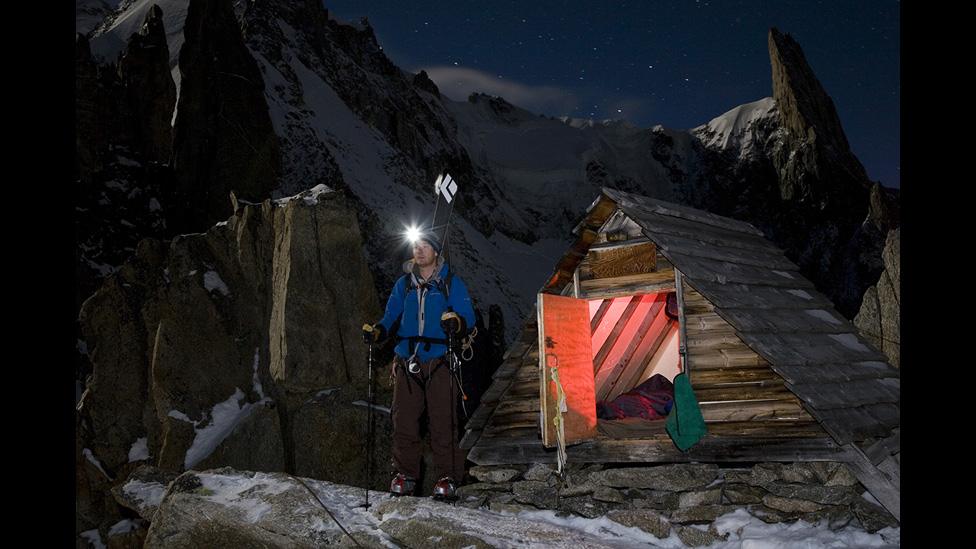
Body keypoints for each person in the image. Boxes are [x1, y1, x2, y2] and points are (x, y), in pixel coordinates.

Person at [362, 231, 475, 499]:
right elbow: (390, 316)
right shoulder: (404, 284)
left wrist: (456, 322)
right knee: (404, 420)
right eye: (416, 246)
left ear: (436, 252)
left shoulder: (450, 283)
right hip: (407, 357)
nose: (419, 250)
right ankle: (405, 475)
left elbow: (467, 315)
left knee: (443, 420)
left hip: (440, 359)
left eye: (425, 246)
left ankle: (447, 478)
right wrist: (378, 331)